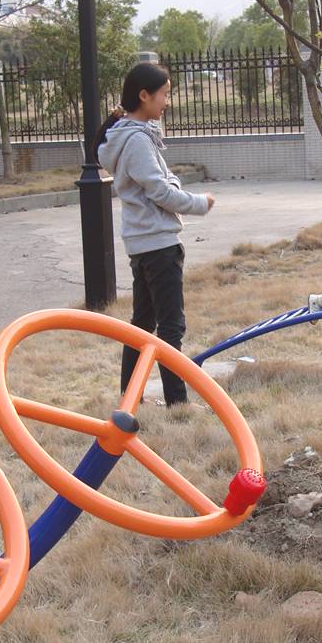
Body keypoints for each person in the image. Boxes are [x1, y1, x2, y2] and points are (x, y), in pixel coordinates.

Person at [97, 62, 215, 407]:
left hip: (143, 242)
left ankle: (129, 398)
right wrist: (199, 203)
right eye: (163, 94)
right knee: (170, 326)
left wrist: (173, 184)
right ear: (144, 96)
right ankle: (177, 402)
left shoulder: (132, 136)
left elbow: (162, 182)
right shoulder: (137, 140)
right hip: (158, 243)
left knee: (142, 325)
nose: (166, 101)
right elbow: (161, 191)